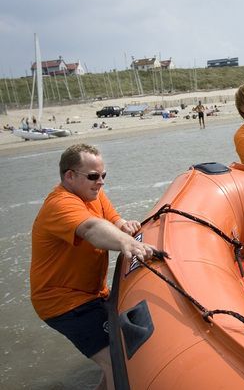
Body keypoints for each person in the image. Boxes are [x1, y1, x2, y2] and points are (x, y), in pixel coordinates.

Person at [30, 144, 156, 390]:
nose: (100, 182)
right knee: (116, 361)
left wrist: (124, 225)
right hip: (62, 302)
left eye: (103, 176)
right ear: (69, 176)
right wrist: (127, 243)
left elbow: (111, 219)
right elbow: (91, 229)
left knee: (115, 355)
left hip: (93, 293)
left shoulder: (93, 193)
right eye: (93, 176)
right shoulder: (60, 204)